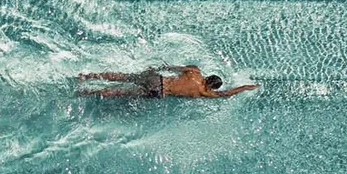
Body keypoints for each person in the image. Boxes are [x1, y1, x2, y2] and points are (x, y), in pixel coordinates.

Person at [76, 65, 258, 99]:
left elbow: (172, 67)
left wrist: (156, 69)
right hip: (159, 91)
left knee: (123, 77)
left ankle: (87, 76)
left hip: (157, 78)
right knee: (118, 92)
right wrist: (246, 87)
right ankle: (87, 92)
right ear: (212, 86)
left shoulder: (194, 71)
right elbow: (227, 94)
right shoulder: (204, 92)